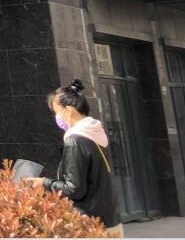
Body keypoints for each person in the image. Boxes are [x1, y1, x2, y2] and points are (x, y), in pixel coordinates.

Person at [22, 79, 123, 237]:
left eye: (57, 112)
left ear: (69, 111)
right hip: (110, 221)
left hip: (88, 225)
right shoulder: (96, 133)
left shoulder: (75, 140)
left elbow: (74, 189)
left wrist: (44, 182)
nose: (57, 117)